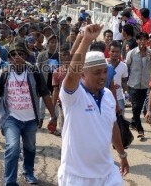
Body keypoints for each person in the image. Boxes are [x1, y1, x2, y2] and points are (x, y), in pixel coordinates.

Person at [58, 23, 129, 185]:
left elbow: (112, 126)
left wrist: (122, 155)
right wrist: (85, 41)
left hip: (106, 173)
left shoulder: (109, 96)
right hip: (77, 177)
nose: (103, 76)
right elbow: (71, 75)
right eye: (97, 72)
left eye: (105, 71)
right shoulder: (73, 96)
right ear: (82, 74)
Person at [0, 41, 57, 186]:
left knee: (30, 148)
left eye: (21, 54)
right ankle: (10, 181)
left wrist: (53, 116)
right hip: (11, 119)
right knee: (13, 147)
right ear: (9, 57)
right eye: (13, 54)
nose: (17, 57)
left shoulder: (34, 72)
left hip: (30, 120)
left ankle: (28, 172)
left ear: (26, 56)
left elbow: (45, 94)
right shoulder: (3, 74)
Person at [126, 32, 151, 138]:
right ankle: (140, 129)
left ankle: (133, 122)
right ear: (137, 40)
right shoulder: (132, 53)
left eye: (145, 39)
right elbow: (127, 67)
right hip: (133, 84)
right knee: (135, 107)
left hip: (144, 85)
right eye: (140, 39)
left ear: (147, 40)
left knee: (138, 107)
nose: (143, 42)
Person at [36, 35, 59, 128]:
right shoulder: (42, 55)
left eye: (55, 42)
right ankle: (40, 119)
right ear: (48, 43)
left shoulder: (59, 55)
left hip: (56, 83)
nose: (53, 44)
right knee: (42, 102)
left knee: (55, 102)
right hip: (44, 81)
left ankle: (53, 121)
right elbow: (37, 68)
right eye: (51, 42)